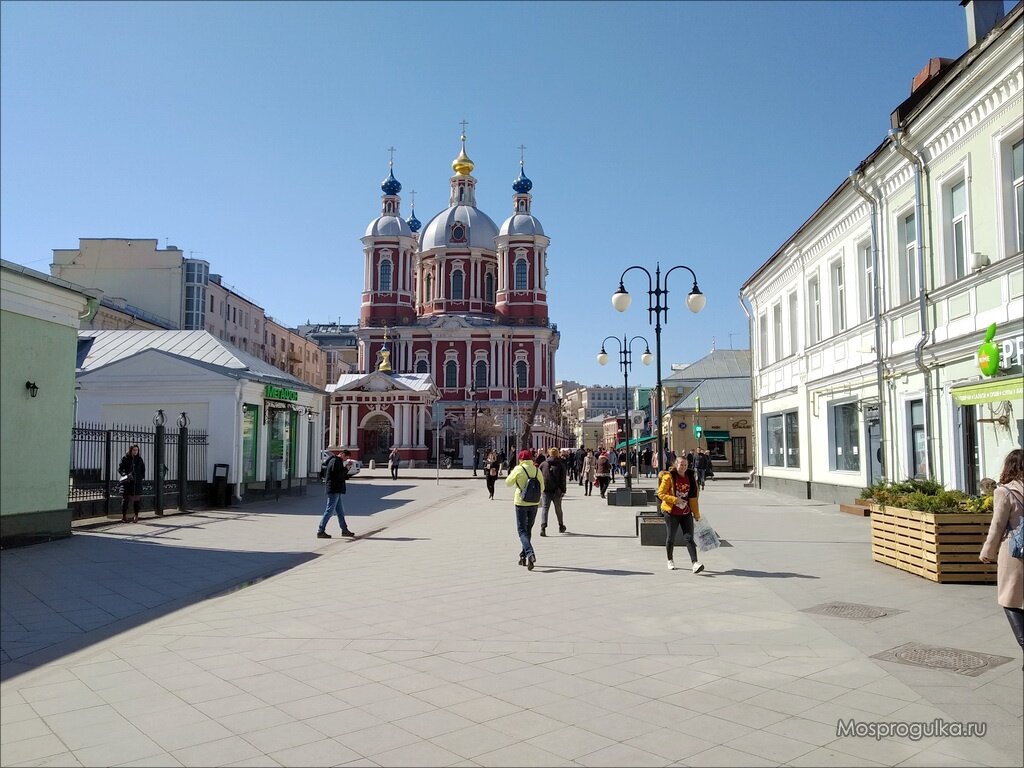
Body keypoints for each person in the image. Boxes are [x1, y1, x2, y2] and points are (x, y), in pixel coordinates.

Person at [980, 448, 1023, 666]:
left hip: (1015, 554)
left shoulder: (1004, 492)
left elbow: (997, 525)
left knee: (1009, 600)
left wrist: (988, 552)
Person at [657, 455, 704, 573]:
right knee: (671, 537)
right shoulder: (669, 477)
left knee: (689, 538)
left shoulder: (690, 477)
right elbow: (660, 494)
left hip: (686, 512)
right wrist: (675, 500)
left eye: (685, 465)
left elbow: (693, 498)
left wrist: (696, 514)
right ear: (676, 465)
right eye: (681, 464)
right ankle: (670, 560)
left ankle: (695, 563)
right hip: (672, 512)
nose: (683, 467)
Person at [506, 448, 544, 570]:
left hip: (521, 502)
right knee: (528, 529)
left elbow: (508, 483)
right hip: (534, 503)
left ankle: (530, 553)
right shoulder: (537, 470)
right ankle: (523, 556)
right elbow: (542, 487)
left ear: (520, 459)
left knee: (522, 530)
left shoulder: (518, 469)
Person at [318, 448, 358, 538]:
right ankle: (321, 530)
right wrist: (346, 468)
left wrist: (345, 468)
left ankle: (344, 530)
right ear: (343, 455)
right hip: (334, 489)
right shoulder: (336, 461)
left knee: (340, 511)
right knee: (329, 510)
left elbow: (338, 474)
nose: (345, 460)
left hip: (336, 488)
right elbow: (338, 475)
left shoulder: (335, 460)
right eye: (346, 458)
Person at [539, 447, 568, 536]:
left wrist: (540, 488)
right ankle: (561, 525)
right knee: (558, 508)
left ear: (549, 454)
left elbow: (539, 476)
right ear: (557, 454)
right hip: (557, 490)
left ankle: (543, 527)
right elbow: (563, 479)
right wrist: (563, 490)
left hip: (545, 490)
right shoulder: (561, 464)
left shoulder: (543, 464)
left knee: (545, 508)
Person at [118, 444, 145, 523]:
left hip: (137, 483)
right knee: (125, 500)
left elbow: (143, 469)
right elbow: (120, 469)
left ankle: (136, 516)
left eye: (137, 450)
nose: (135, 451)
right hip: (127, 483)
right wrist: (125, 474)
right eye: (134, 450)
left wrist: (141, 477)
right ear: (130, 450)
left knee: (137, 501)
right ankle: (124, 516)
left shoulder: (139, 459)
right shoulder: (125, 458)